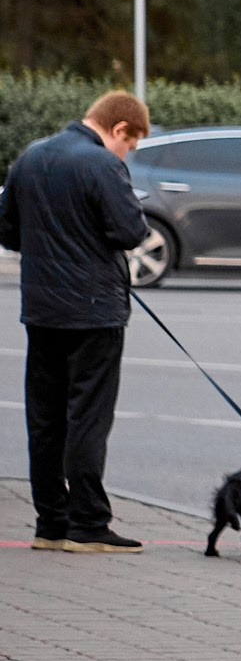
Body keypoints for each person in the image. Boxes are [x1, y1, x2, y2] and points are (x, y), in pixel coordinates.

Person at [0, 90, 153, 553]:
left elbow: (7, 230)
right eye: (130, 144)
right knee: (87, 417)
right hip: (94, 312)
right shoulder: (101, 164)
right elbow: (130, 231)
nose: (127, 153)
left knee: (45, 418)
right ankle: (88, 523)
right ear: (119, 128)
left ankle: (51, 523)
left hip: (41, 310)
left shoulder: (31, 157)